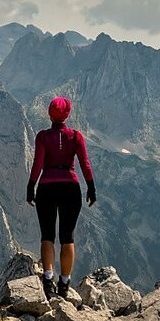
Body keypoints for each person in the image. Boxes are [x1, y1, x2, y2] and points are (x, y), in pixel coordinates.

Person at [26, 95, 95, 296]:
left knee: (47, 235)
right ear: (68, 114)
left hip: (46, 187)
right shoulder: (76, 137)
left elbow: (37, 164)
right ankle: (64, 284)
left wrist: (31, 186)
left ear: (49, 114)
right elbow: (85, 163)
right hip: (70, 188)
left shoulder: (42, 137)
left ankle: (48, 280)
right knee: (67, 237)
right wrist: (91, 187)